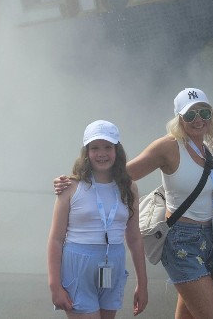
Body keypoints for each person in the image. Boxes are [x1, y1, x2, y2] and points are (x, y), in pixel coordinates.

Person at [54, 89, 213, 319]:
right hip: (182, 241)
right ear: (179, 118)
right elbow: (122, 174)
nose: (198, 119)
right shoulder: (168, 146)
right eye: (190, 114)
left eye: (204, 112)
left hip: (208, 240)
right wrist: (74, 181)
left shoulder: (210, 148)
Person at [47, 120, 148, 318]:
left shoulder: (129, 187)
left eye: (108, 147)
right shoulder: (70, 186)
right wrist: (54, 285)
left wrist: (142, 284)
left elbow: (135, 238)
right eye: (95, 148)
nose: (102, 153)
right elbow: (56, 239)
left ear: (117, 150)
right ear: (86, 152)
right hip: (78, 265)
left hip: (114, 263)